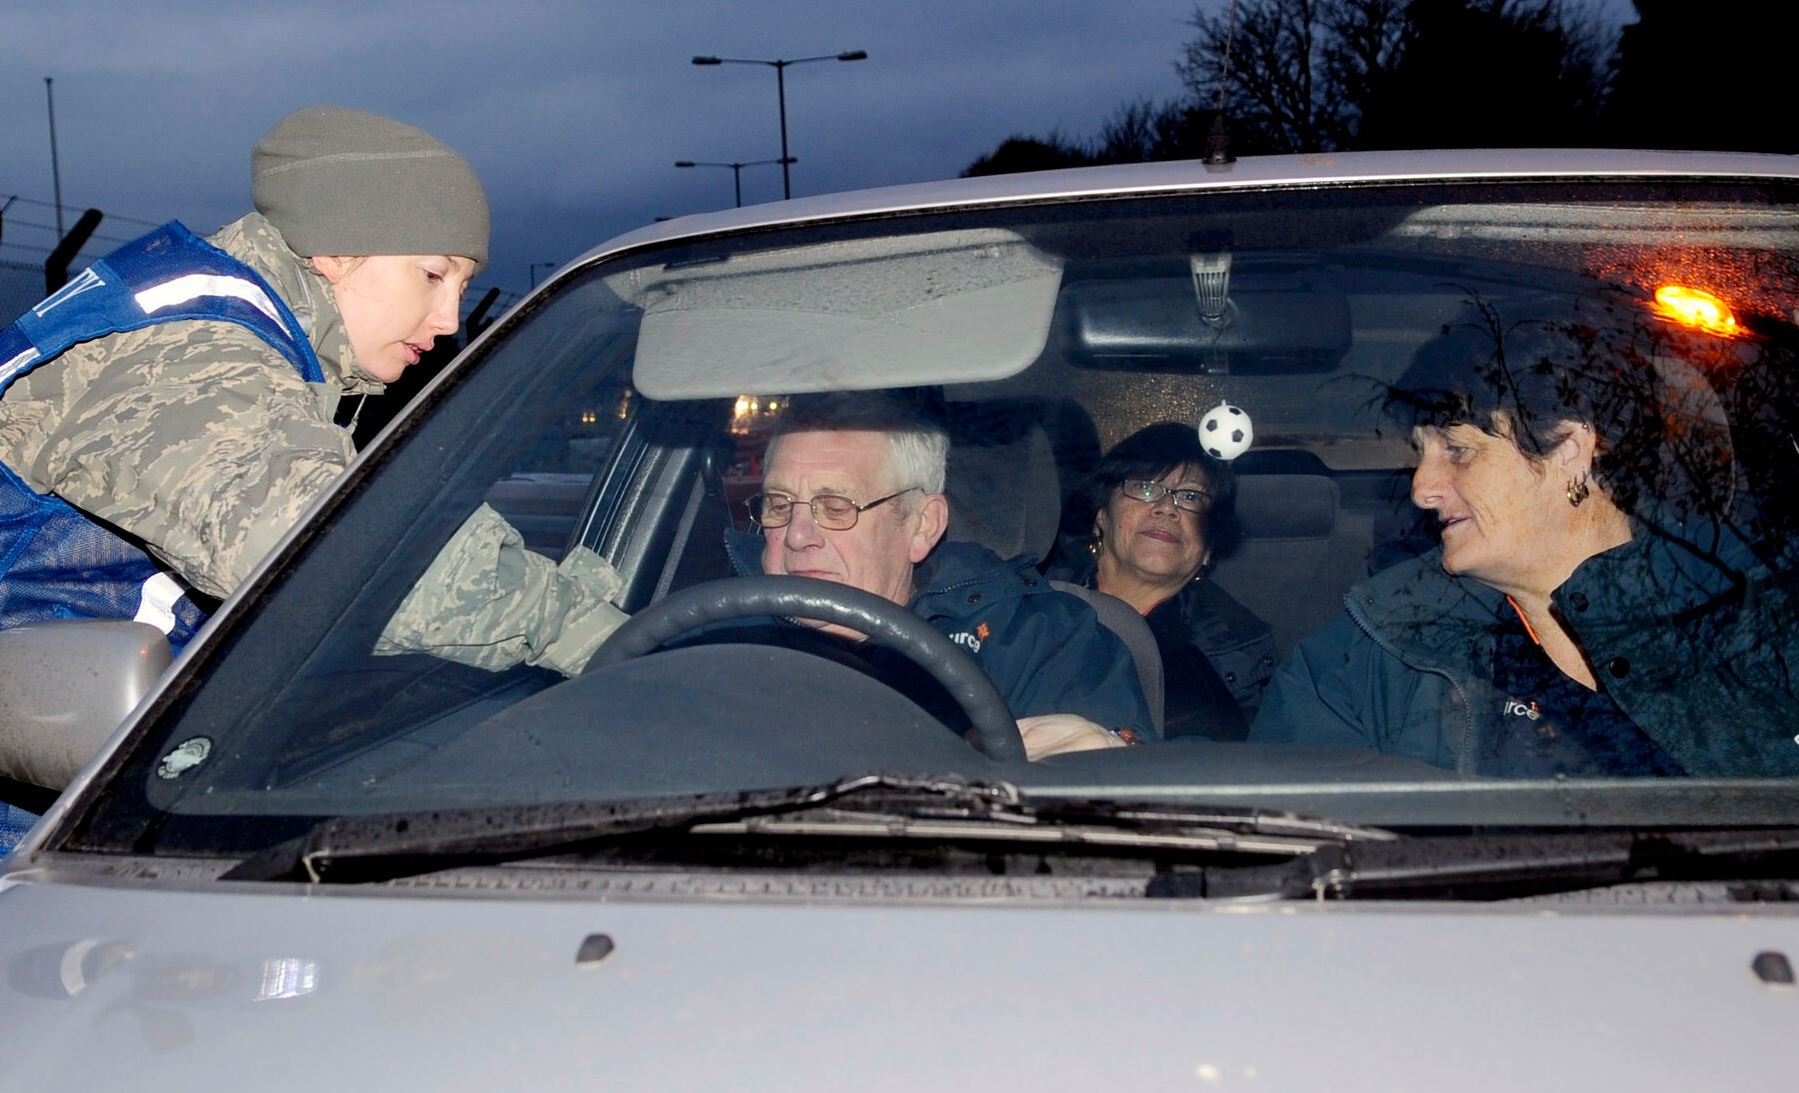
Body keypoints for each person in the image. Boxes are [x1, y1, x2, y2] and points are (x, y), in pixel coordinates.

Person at [0, 106, 625, 963]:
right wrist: (602, 633)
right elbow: (352, 555)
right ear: (338, 249)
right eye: (431, 274)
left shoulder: (236, 335)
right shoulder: (184, 349)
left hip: (18, 794)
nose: (452, 318)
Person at [1251, 296, 1799, 776]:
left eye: (1458, 450)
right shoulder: (1368, 653)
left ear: (1568, 451)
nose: (1421, 488)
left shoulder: (1759, 615)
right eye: (1420, 455)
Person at [726, 397, 1157, 759]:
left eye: (836, 507)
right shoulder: (713, 632)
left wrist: (1115, 752)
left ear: (922, 526)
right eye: (779, 505)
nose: (797, 536)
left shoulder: (1038, 639)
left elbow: (1169, 792)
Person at [1077, 423, 1275, 741]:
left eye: (1191, 497)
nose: (1167, 508)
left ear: (1209, 547)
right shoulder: (1028, 605)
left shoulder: (1238, 655)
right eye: (1145, 488)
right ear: (1102, 512)